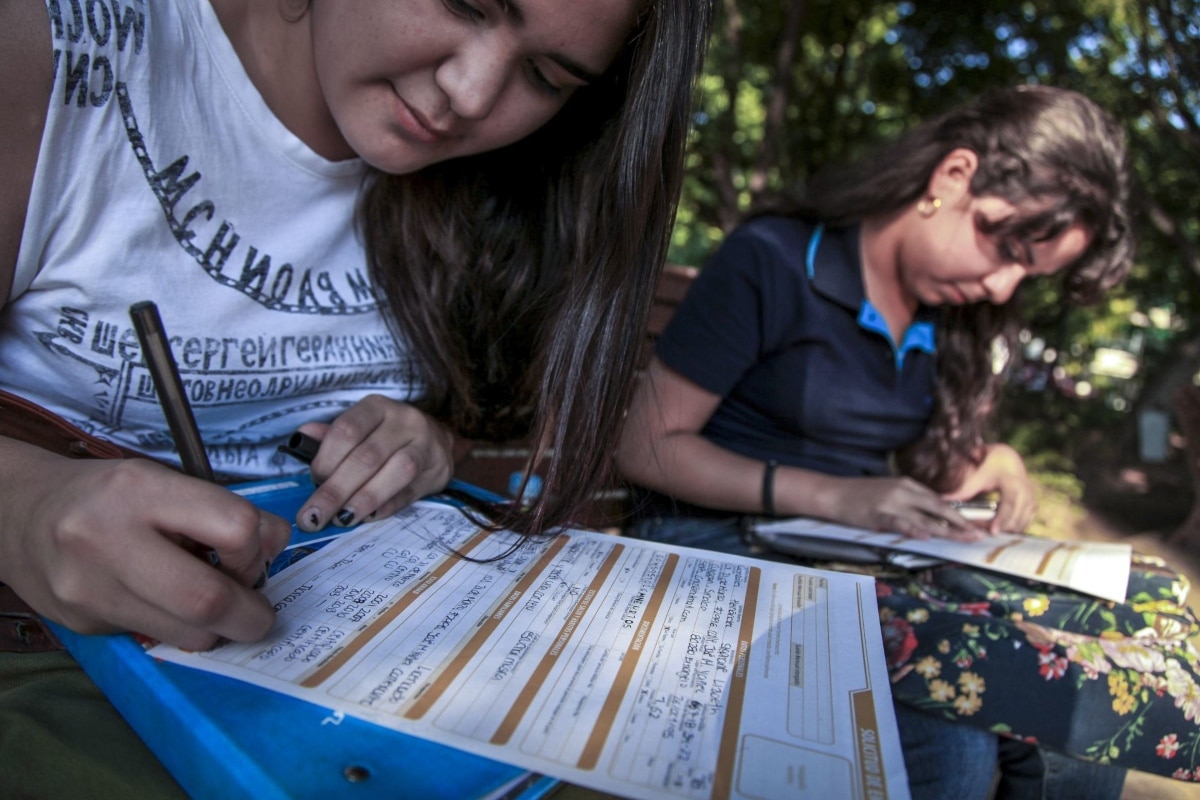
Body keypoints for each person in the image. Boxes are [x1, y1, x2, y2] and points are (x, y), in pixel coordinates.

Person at [0, 0, 712, 796]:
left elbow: (469, 423)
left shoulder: (502, 191)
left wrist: (432, 442)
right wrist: (22, 502)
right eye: (466, 3)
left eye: (545, 76)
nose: (471, 95)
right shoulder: (63, 47)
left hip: (362, 670)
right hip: (55, 653)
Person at [615, 85, 1200, 799]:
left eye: (1029, 273)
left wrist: (996, 463)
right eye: (1005, 245)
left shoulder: (945, 315)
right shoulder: (772, 260)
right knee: (951, 746)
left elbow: (923, 463)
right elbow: (645, 448)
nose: (1002, 285)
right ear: (953, 177)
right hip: (718, 540)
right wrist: (835, 496)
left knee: (1081, 705)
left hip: (860, 557)